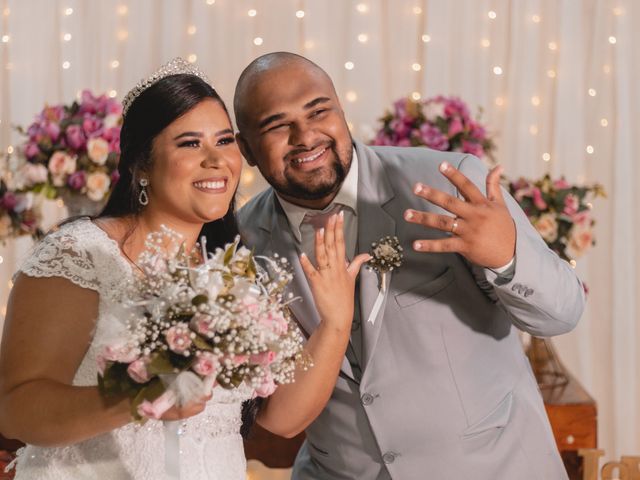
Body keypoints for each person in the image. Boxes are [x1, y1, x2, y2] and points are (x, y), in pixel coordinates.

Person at [0, 58, 369, 479]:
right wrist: (140, 399)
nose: (215, 160)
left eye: (225, 140)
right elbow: (16, 408)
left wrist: (335, 324)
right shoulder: (82, 253)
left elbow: (282, 418)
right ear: (142, 164)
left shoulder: (236, 269)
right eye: (190, 143)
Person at [234, 52, 586, 480]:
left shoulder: (446, 181)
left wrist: (507, 256)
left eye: (319, 111)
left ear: (341, 111)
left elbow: (563, 313)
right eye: (276, 125)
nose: (305, 136)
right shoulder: (241, 242)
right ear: (246, 150)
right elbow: (275, 405)